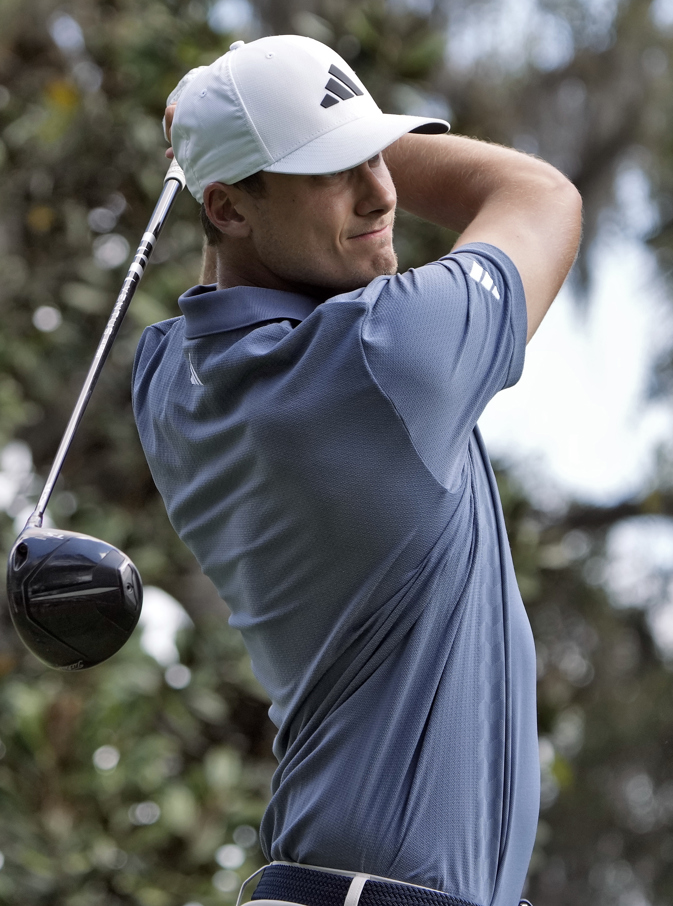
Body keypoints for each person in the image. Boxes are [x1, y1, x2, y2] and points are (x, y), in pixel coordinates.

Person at [131, 35, 581, 906]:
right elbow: (538, 194)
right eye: (336, 169)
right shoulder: (385, 359)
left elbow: (221, 285)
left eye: (380, 154)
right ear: (226, 208)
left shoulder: (166, 383)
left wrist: (272, 140)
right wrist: (239, 133)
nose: (384, 191)